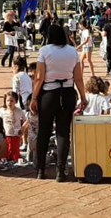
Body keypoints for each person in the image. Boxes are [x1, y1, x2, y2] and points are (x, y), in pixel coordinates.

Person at [30, 23, 87, 181]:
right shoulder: (72, 51)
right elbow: (78, 78)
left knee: (44, 132)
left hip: (48, 93)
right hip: (67, 93)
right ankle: (60, 170)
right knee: (63, 133)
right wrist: (83, 97)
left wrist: (34, 97)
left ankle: (41, 170)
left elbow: (39, 77)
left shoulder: (45, 51)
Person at [0, 91, 26, 165]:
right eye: (8, 100)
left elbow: (25, 121)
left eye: (12, 101)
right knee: (7, 149)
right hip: (6, 135)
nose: (9, 102)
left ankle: (15, 159)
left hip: (16, 135)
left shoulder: (19, 111)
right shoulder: (2, 111)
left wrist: (22, 129)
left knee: (15, 149)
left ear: (16, 101)